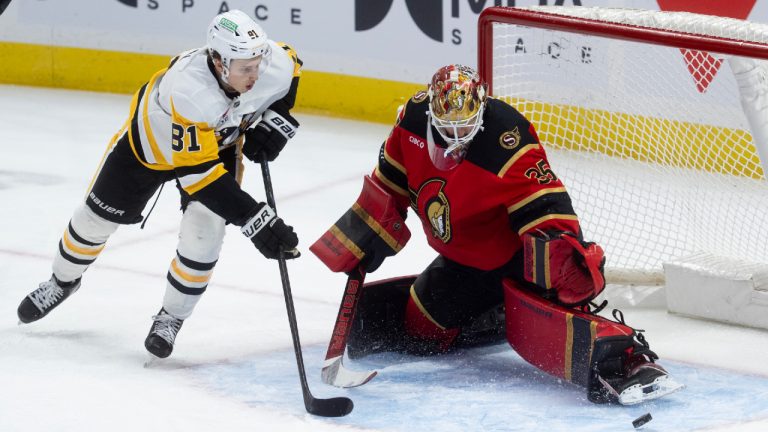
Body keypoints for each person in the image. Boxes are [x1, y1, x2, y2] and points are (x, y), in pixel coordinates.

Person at [310, 64, 682, 404]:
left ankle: (627, 359)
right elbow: (387, 188)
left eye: (465, 126)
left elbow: (546, 211)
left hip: (516, 256)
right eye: (447, 127)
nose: (456, 138)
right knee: (419, 332)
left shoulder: (507, 137)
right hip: (465, 260)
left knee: (555, 314)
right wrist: (367, 233)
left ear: (481, 109)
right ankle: (497, 313)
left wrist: (565, 267)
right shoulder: (411, 121)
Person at [17, 10, 302, 359]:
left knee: (204, 234)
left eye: (257, 64)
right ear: (217, 61)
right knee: (94, 220)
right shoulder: (189, 89)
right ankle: (61, 282)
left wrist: (277, 119)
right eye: (245, 69)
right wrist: (256, 220)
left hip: (216, 146)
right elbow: (201, 179)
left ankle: (171, 317)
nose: (255, 76)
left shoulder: (270, 62)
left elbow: (291, 70)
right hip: (148, 149)